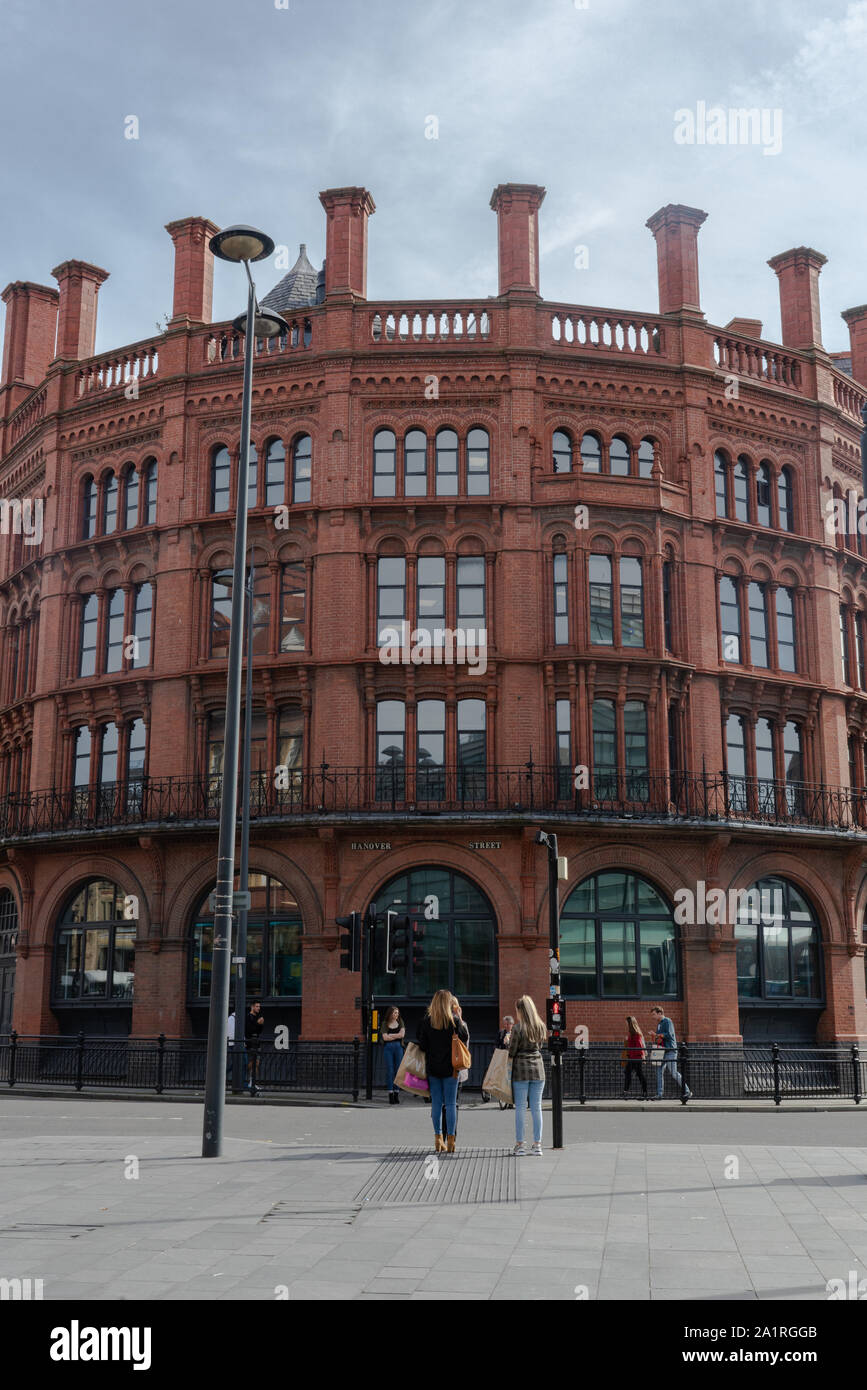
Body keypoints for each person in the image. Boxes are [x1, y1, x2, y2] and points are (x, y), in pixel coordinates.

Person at [416, 989, 468, 1154]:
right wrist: (459, 1017)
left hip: (433, 1068)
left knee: (436, 1104)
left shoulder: (427, 1021)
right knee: (451, 1104)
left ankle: (438, 1139)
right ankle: (451, 1141)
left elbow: (422, 1045)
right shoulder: (453, 1021)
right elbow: (465, 1038)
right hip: (451, 1068)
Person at [508, 995, 546, 1156]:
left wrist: (508, 1041)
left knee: (521, 1108)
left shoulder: (517, 1028)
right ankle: (537, 1145)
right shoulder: (540, 1026)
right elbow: (540, 1047)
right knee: (536, 1108)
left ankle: (520, 1144)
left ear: (521, 1010)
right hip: (538, 1068)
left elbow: (512, 1051)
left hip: (520, 1071)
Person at [650, 1005, 691, 1100]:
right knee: (659, 1071)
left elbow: (669, 1034)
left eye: (654, 1014)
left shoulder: (667, 1021)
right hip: (662, 1051)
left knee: (674, 1073)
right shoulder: (659, 1023)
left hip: (670, 1051)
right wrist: (655, 1036)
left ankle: (687, 1091)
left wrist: (657, 1035)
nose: (653, 1017)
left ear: (660, 1013)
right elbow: (660, 1037)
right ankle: (659, 1094)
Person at [381, 1005, 405, 1104]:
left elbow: (402, 1035)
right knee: (390, 1071)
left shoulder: (400, 1022)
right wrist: (396, 1036)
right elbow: (385, 1038)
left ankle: (396, 1093)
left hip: (398, 1048)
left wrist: (391, 1035)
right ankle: (390, 1093)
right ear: (390, 1013)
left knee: (398, 1071)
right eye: (395, 1012)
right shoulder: (385, 1023)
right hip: (388, 1048)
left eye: (397, 1013)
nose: (396, 1014)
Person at [622, 1014, 647, 1098]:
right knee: (629, 1072)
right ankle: (626, 1091)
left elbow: (640, 1046)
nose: (625, 1024)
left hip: (636, 1057)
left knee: (639, 1074)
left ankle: (644, 1091)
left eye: (626, 1023)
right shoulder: (632, 1034)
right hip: (632, 1057)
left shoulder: (636, 1034)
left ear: (630, 1023)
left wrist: (642, 1056)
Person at [245, 1000, 265, 1096]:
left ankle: (252, 1082)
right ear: (252, 1007)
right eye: (257, 1006)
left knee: (256, 1063)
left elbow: (258, 1031)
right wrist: (258, 1024)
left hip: (257, 1043)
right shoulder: (248, 1017)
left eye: (259, 1006)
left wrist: (261, 1025)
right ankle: (250, 1082)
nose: (258, 1008)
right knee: (253, 1063)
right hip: (250, 1044)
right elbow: (249, 1031)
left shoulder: (257, 1017)